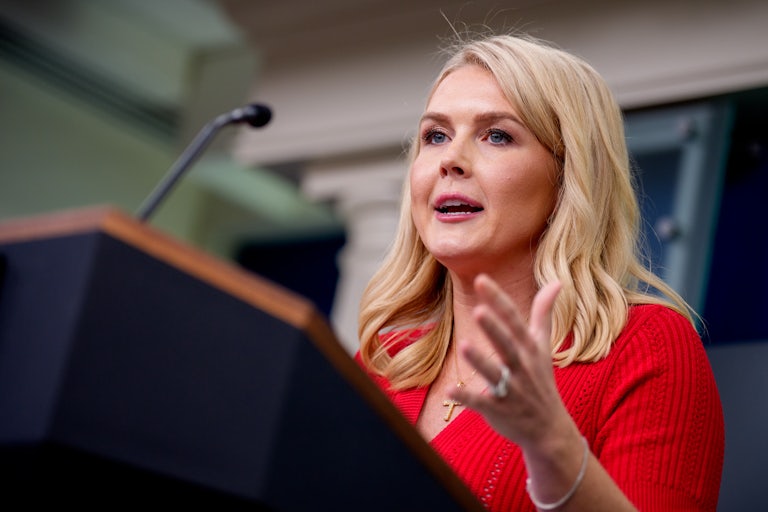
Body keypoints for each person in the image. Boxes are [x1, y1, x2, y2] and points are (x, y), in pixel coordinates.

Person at [355, 32, 724, 511]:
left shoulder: (646, 346)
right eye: (436, 135)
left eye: (497, 135)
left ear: (568, 176)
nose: (451, 160)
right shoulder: (384, 361)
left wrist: (553, 448)